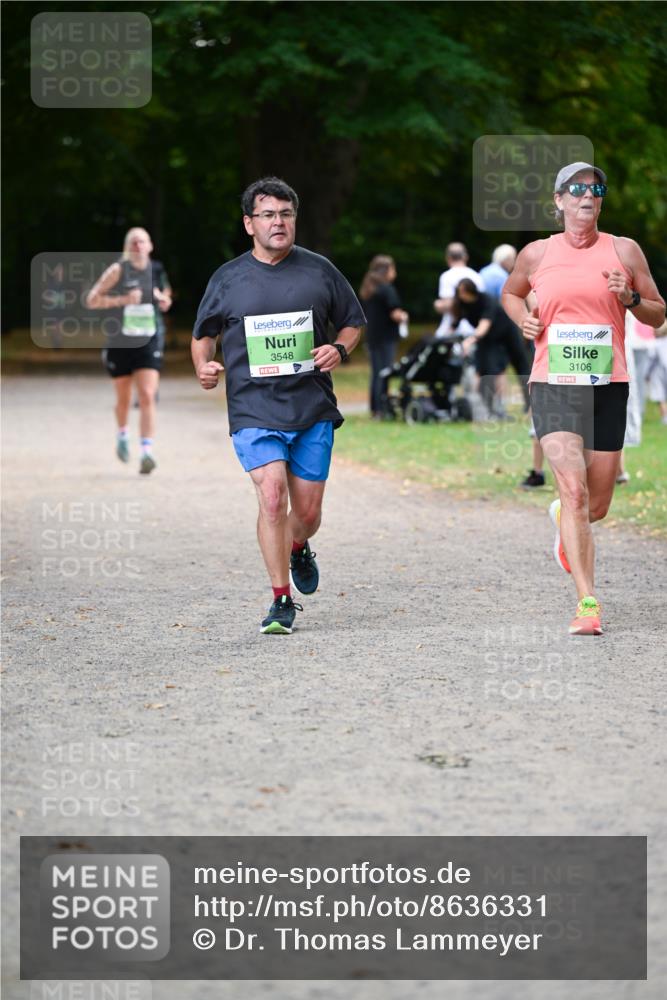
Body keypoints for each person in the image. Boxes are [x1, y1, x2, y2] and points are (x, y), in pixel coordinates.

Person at [191, 176, 366, 635]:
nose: (278, 222)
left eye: (286, 214)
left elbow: (351, 324)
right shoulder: (228, 278)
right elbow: (202, 335)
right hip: (253, 407)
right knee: (272, 497)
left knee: (305, 516)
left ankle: (297, 546)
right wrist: (204, 367)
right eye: (267, 215)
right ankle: (280, 600)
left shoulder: (320, 270)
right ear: (249, 224)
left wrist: (340, 350)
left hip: (311, 407)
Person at [502, 161, 665, 635]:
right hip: (552, 383)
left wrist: (630, 299)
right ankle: (588, 604)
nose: (586, 197)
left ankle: (565, 525)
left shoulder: (625, 251)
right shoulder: (536, 253)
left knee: (596, 505)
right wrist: (523, 321)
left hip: (608, 386)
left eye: (595, 190)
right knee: (573, 490)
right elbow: (512, 296)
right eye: (576, 190)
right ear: (559, 200)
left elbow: (658, 313)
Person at [86, 227, 172, 474]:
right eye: (133, 242)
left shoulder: (157, 269)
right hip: (120, 342)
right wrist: (122, 300)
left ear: (150, 246)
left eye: (142, 241)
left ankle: (147, 452)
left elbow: (166, 294)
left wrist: (164, 300)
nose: (137, 245)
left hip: (149, 340)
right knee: (123, 399)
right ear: (127, 247)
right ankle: (122, 434)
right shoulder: (118, 270)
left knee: (146, 394)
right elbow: (92, 299)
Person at [452, 279, 531, 418]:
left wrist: (471, 340)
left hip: (506, 333)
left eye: (463, 292)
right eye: (459, 293)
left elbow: (484, 325)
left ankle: (530, 403)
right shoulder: (461, 304)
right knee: (486, 370)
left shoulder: (486, 300)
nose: (461, 295)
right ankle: (490, 408)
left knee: (521, 366)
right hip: (487, 339)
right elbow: (454, 323)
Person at [359, 255, 409, 417]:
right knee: (384, 372)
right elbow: (395, 314)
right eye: (393, 268)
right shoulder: (387, 289)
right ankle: (382, 408)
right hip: (386, 337)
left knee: (376, 373)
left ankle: (375, 408)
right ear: (386, 270)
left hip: (372, 336)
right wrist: (403, 316)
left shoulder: (368, 289)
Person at [433, 242, 485, 338]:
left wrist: (438, 305)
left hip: (453, 330)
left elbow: (449, 304)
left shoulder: (447, 276)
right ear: (466, 257)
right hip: (474, 328)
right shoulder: (476, 276)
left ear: (448, 258)